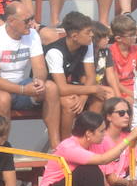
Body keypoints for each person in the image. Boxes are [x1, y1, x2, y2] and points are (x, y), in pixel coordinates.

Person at [0, 2, 62, 145]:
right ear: (11, 21)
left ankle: (56, 146)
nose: (32, 23)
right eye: (27, 20)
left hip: (19, 87)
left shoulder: (32, 35)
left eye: (32, 18)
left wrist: (39, 81)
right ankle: (3, 148)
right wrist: (23, 90)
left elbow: (40, 67)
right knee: (3, 98)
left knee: (50, 88)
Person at [37, 111, 137, 186]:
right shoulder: (68, 147)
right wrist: (129, 139)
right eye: (101, 131)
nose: (104, 134)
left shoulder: (97, 144)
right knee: (88, 169)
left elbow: (106, 173)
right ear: (89, 133)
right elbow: (104, 159)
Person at [44, 11, 111, 142]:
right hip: (47, 91)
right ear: (75, 36)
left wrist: (84, 97)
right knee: (70, 103)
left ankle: (90, 139)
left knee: (101, 96)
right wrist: (91, 90)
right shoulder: (55, 52)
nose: (92, 34)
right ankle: (66, 143)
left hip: (69, 88)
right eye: (88, 32)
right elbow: (61, 88)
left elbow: (91, 76)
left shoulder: (87, 44)